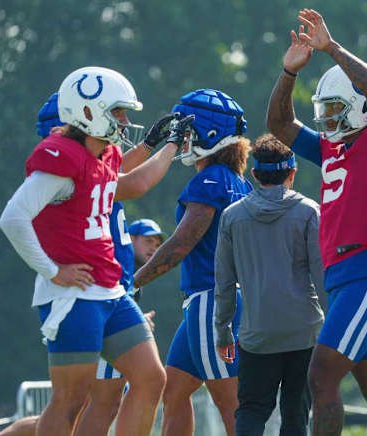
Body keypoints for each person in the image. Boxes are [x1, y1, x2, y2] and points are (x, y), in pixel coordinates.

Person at [266, 9, 367, 435]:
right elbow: (278, 124)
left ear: (360, 108)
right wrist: (289, 73)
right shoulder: (333, 149)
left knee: (321, 375)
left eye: (336, 108)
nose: (328, 118)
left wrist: (331, 48)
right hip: (344, 276)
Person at [0, 67, 166, 436]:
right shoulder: (63, 157)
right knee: (70, 401)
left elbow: (134, 182)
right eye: (118, 112)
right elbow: (12, 219)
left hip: (109, 289)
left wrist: (170, 143)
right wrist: (53, 270)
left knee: (151, 377)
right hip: (73, 293)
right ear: (88, 111)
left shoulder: (103, 156)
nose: (124, 121)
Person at [133, 88, 253, 436]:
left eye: (186, 131)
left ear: (210, 133)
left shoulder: (209, 179)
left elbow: (181, 243)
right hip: (219, 301)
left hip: (211, 303)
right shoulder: (239, 182)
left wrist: (133, 281)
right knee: (174, 393)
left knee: (229, 402)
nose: (181, 139)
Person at [214, 133, 326, 435]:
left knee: (251, 411)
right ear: (292, 173)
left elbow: (224, 283)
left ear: (254, 174)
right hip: (305, 333)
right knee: (296, 414)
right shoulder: (308, 212)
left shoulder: (231, 217)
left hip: (256, 336)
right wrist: (334, 331)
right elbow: (322, 275)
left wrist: (223, 332)